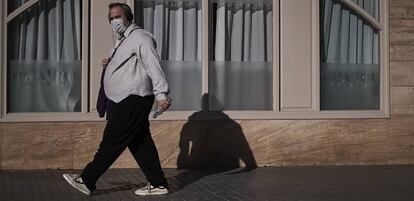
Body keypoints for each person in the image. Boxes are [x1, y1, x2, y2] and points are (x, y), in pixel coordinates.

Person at [62, 2, 171, 196]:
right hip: (126, 99)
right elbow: (130, 65)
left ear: (128, 16)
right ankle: (158, 184)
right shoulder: (123, 39)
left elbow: (153, 65)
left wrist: (161, 94)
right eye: (111, 18)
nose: (114, 21)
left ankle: (86, 180)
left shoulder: (141, 37)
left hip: (132, 99)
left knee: (112, 141)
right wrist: (110, 63)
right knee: (140, 142)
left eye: (118, 17)